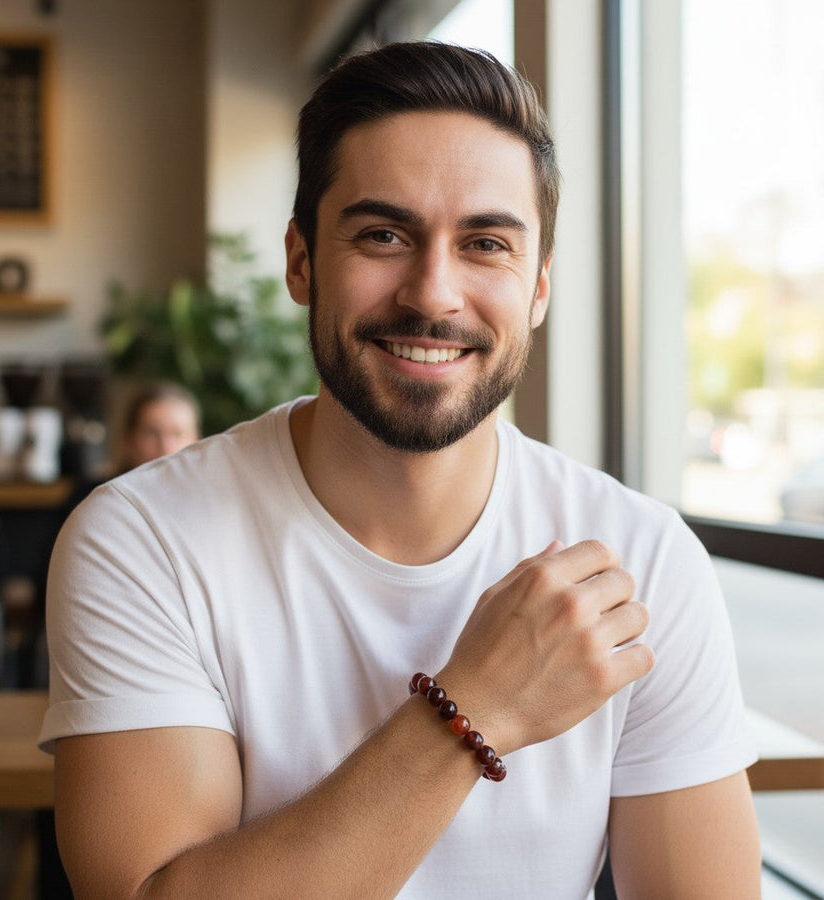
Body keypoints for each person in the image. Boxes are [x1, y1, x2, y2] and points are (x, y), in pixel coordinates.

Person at [39, 41, 761, 899]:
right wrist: (476, 707)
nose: (434, 294)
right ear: (302, 262)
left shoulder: (641, 562)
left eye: (486, 243)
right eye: (384, 234)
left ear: (538, 288)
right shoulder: (143, 539)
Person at [113, 380, 202, 473]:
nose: (166, 447)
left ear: (197, 441)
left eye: (177, 434)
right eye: (152, 433)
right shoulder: (102, 487)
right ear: (129, 440)